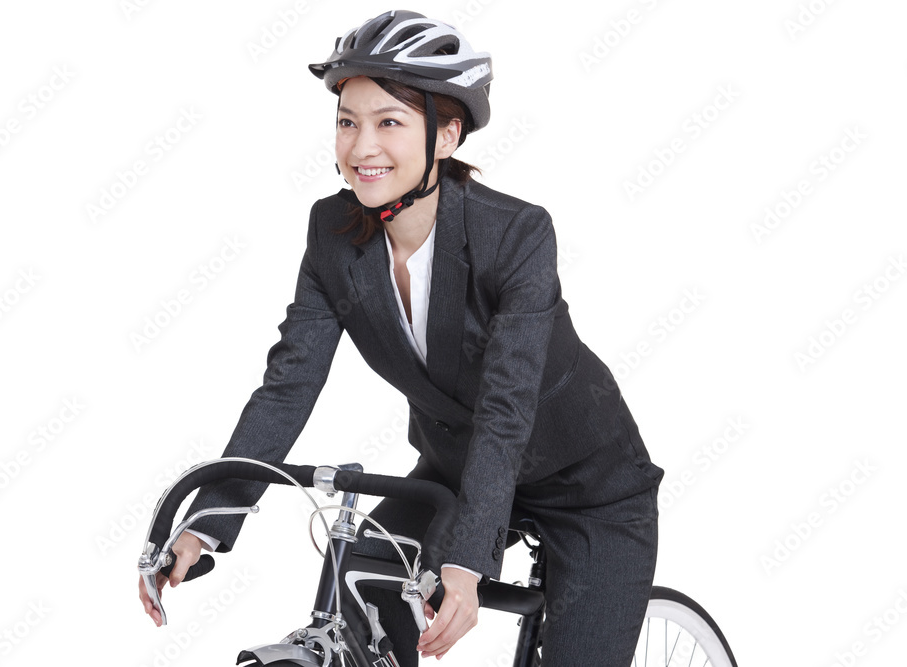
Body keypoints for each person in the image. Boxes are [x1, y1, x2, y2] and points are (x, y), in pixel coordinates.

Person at [138, 10, 663, 665]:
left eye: (388, 121)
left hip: (586, 488)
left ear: (446, 135)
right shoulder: (333, 233)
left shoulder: (518, 236)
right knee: (362, 599)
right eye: (347, 121)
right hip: (452, 476)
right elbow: (289, 382)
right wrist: (207, 521)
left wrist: (469, 562)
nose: (361, 148)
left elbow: (507, 408)